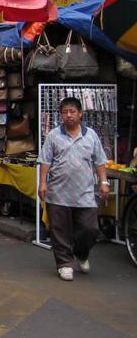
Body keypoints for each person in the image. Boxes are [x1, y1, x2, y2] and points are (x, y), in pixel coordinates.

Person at [38, 97, 109, 281]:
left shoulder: (91, 135)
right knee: (59, 230)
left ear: (80, 114)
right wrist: (43, 182)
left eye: (72, 111)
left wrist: (104, 182)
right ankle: (64, 264)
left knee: (90, 229)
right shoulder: (54, 135)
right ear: (61, 115)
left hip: (84, 192)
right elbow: (45, 160)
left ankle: (81, 253)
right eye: (65, 112)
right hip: (58, 192)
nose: (68, 115)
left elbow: (100, 161)